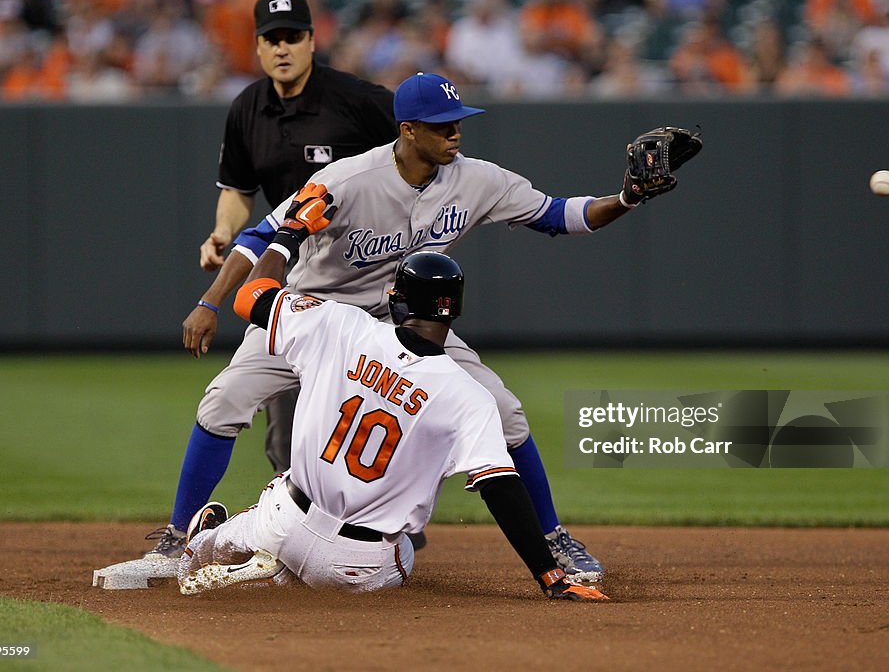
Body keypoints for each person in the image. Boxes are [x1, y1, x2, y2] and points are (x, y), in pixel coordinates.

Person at [163, 72, 699, 584]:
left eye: (459, 120)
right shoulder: (346, 179)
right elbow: (262, 236)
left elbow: (561, 215)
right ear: (407, 131)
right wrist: (209, 303)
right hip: (319, 314)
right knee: (224, 398)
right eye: (443, 124)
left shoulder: (478, 178)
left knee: (503, 409)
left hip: (404, 319)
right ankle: (174, 538)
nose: (455, 132)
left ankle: (552, 535)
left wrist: (626, 199)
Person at [176, 218, 607, 601]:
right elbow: (501, 488)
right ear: (453, 309)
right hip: (357, 564)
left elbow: (250, 297)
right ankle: (282, 577)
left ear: (397, 300)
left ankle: (212, 547)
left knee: (227, 533)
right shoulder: (469, 396)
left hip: (287, 520)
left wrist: (288, 233)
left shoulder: (339, 325)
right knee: (403, 547)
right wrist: (550, 575)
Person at [141, 0, 397, 558]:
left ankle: (384, 524)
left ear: (312, 40)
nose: (282, 47)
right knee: (277, 428)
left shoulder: (359, 101)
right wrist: (221, 234)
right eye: (271, 39)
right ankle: (203, 533)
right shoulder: (248, 107)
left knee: (388, 409)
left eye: (293, 36)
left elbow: (415, 160)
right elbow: (238, 191)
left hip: (368, 275)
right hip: (293, 276)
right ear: (256, 46)